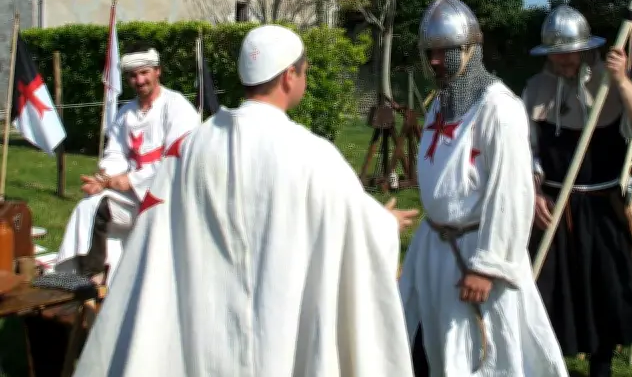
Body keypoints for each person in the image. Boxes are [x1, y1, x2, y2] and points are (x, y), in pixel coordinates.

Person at [74, 25, 419, 377]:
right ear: (289, 76)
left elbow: (155, 238)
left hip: (206, 329)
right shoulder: (314, 156)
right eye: (305, 71)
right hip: (283, 330)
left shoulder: (188, 150)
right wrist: (386, 226)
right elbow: (357, 229)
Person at [400, 0, 568, 377]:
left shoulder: (499, 108)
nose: (435, 61)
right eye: (430, 52)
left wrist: (487, 266)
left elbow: (512, 193)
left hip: (478, 253)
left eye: (445, 52)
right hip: (435, 249)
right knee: (437, 348)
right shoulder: (440, 104)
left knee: (486, 353)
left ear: (470, 50)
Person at [523, 6, 632, 377]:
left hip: (602, 208)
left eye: (571, 51)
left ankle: (602, 368)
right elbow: (528, 153)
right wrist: (535, 194)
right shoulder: (536, 89)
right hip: (552, 208)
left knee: (605, 294)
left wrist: (623, 82)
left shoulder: (612, 84)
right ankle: (547, 365)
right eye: (557, 53)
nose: (564, 60)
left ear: (586, 48)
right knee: (547, 296)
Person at [54, 43, 200, 283]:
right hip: (135, 196)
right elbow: (116, 153)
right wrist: (104, 179)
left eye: (144, 73)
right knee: (90, 206)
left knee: (99, 207)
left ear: (157, 71)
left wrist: (130, 180)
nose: (139, 80)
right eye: (133, 76)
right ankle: (92, 280)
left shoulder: (177, 107)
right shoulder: (126, 113)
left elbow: (177, 159)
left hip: (169, 197)